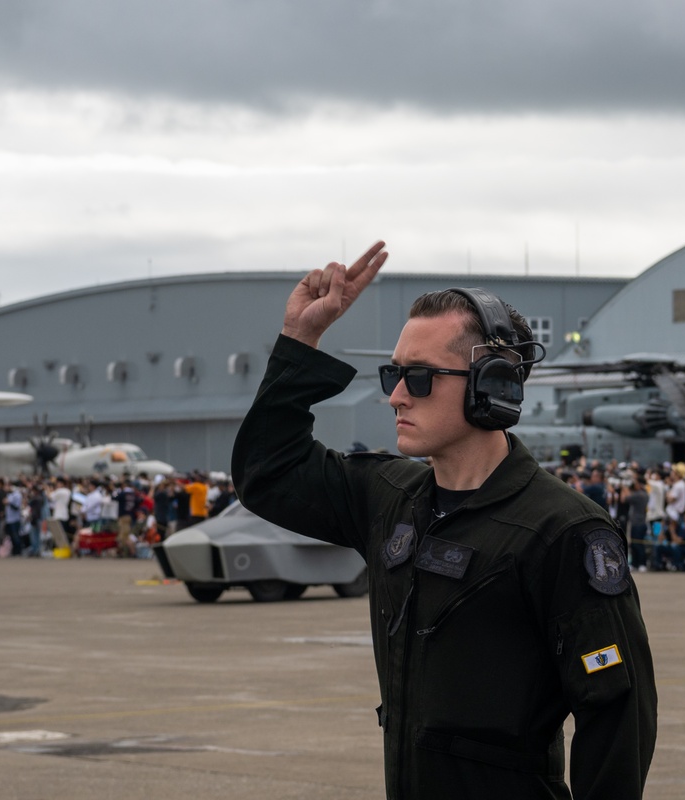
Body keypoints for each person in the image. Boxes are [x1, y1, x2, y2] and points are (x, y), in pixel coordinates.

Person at [231, 242, 656, 799]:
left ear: (493, 386)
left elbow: (616, 715)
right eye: (394, 375)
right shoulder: (387, 497)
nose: (397, 397)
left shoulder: (563, 530)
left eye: (421, 377)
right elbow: (268, 472)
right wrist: (300, 339)